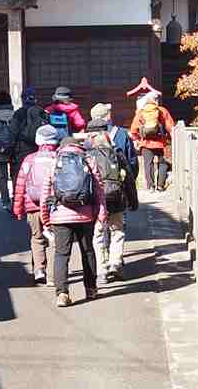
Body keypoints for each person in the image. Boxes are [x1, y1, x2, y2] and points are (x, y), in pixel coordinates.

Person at [39, 132, 106, 307]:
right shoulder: (88, 160)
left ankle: (62, 294)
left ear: (61, 147)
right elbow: (99, 190)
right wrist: (101, 215)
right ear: (78, 146)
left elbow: (45, 193)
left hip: (60, 216)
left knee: (61, 254)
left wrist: (46, 219)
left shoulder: (55, 162)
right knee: (88, 251)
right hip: (85, 215)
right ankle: (91, 289)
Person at [85, 111, 133, 284]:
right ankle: (116, 263)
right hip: (116, 198)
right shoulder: (116, 152)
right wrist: (132, 200)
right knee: (117, 231)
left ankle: (101, 271)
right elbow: (128, 178)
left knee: (98, 234)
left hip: (96, 201)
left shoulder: (87, 155)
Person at [12, 123, 61, 284]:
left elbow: (20, 185)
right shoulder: (59, 157)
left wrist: (18, 208)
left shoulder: (30, 159)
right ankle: (53, 276)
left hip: (33, 205)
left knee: (37, 238)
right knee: (55, 239)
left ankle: (39, 270)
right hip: (54, 206)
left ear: (38, 140)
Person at [130, 90, 174, 192]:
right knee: (163, 163)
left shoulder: (141, 112)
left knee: (148, 164)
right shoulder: (162, 111)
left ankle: (150, 186)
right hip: (161, 143)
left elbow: (133, 130)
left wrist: (138, 139)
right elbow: (171, 127)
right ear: (156, 100)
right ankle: (160, 186)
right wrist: (168, 139)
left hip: (146, 143)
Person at [12, 86, 50, 165]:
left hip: (23, 149)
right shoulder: (42, 111)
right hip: (39, 148)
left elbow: (13, 131)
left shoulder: (19, 113)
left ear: (23, 98)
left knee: (22, 170)